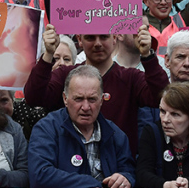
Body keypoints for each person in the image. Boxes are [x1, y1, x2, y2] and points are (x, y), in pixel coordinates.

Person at [24, 24, 167, 154]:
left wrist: (148, 56)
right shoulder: (65, 75)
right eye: (90, 38)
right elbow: (34, 97)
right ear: (79, 40)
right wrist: (48, 55)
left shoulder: (131, 78)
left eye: (104, 37)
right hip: (71, 165)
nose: (98, 43)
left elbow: (161, 97)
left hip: (119, 170)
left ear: (115, 38)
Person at [28, 66, 135, 188]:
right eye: (78, 99)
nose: (85, 107)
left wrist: (125, 178)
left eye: (92, 99)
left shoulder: (116, 134)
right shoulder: (46, 129)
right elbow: (40, 175)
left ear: (101, 100)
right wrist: (96, 184)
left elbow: (129, 172)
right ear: (65, 99)